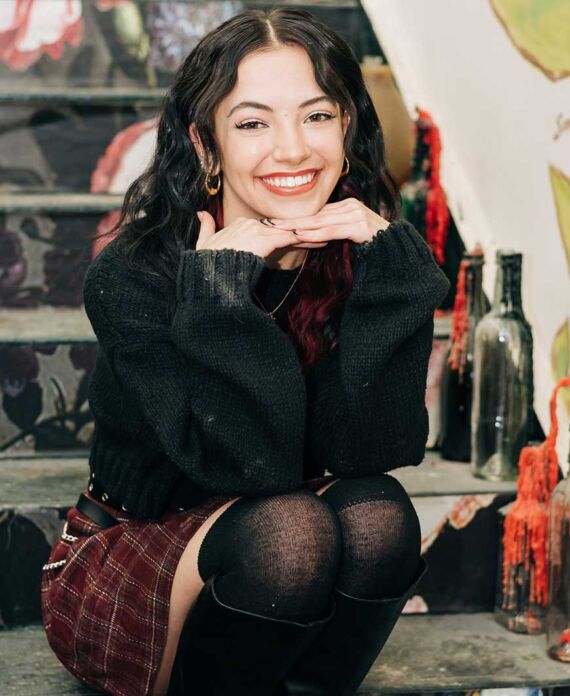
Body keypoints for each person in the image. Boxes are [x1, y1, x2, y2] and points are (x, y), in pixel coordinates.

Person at [40, 7, 450, 696]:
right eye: (254, 123)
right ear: (206, 144)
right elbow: (249, 468)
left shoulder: (351, 257)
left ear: (346, 128)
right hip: (136, 549)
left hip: (282, 541)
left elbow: (367, 451)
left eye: (316, 116)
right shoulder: (135, 276)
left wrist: (395, 279)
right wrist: (221, 293)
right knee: (291, 531)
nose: (292, 150)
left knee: (380, 512)